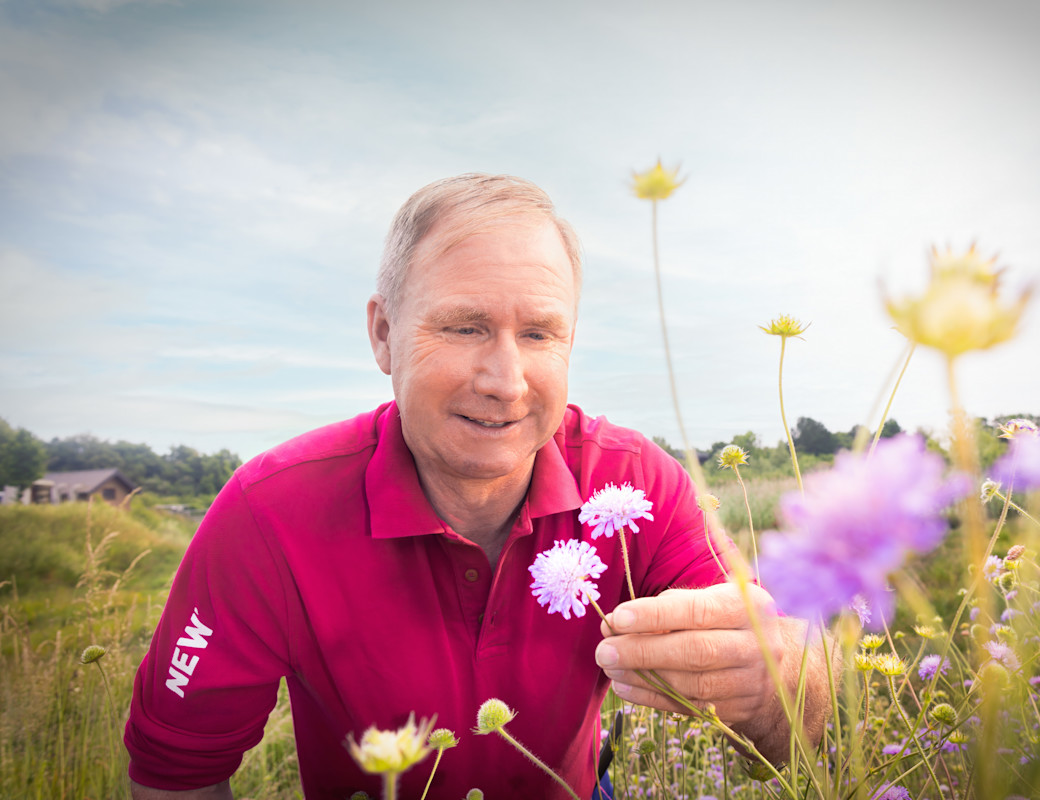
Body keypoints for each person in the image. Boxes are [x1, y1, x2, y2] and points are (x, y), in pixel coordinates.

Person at [126, 174, 831, 800]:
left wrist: (778, 684)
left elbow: (784, 737)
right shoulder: (270, 513)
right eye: (464, 327)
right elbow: (175, 771)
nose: (505, 381)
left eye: (539, 334)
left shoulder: (636, 483)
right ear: (382, 334)